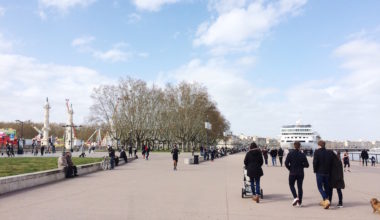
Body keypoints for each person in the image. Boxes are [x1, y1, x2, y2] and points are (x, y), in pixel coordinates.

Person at [285, 142, 309, 207]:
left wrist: (290, 169)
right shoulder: (302, 154)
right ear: (300, 146)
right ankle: (299, 202)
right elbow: (307, 165)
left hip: (292, 173)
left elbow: (286, 163)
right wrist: (302, 165)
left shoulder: (290, 154)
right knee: (300, 187)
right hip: (300, 173)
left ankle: (295, 197)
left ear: (294, 146)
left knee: (291, 185)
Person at [313, 140, 334, 209]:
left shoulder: (317, 152)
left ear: (319, 145)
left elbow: (315, 162)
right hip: (327, 172)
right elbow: (331, 162)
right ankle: (325, 201)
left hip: (319, 172)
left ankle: (326, 199)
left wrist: (315, 170)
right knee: (326, 187)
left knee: (320, 187)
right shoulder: (329, 152)